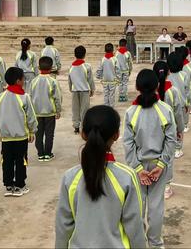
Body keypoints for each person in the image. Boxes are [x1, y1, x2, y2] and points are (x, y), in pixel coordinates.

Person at [55, 105, 146, 248]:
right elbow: (135, 227)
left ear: (83, 134)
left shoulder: (70, 177)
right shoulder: (127, 177)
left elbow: (63, 227)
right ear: (116, 135)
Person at [123, 69, 177, 248]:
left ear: (137, 87)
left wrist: (138, 169)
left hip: (137, 165)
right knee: (156, 207)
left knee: (137, 207)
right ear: (157, 86)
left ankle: (138, 243)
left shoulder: (131, 112)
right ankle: (155, 243)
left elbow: (128, 144)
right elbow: (171, 140)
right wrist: (161, 164)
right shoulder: (165, 110)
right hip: (157, 165)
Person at [0, 67, 38, 197]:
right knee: (20, 160)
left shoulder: (0, 97)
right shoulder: (24, 97)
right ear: (18, 81)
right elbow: (31, 116)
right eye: (23, 78)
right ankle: (19, 185)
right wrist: (32, 131)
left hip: (6, 137)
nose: (24, 80)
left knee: (6, 161)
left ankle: (8, 185)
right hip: (20, 136)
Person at [153, 60, 185, 200]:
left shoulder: (150, 91)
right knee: (168, 158)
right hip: (169, 130)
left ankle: (153, 182)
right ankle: (166, 187)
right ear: (169, 73)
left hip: (153, 129)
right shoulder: (172, 91)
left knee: (153, 155)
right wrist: (180, 128)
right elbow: (178, 112)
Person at [30, 56, 62, 161]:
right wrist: (58, 110)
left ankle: (40, 154)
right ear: (51, 67)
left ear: (39, 67)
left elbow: (29, 97)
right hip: (49, 112)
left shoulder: (33, 81)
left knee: (38, 134)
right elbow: (57, 97)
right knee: (49, 134)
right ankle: (48, 153)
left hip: (37, 112)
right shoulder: (53, 81)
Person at [69, 46, 95, 135]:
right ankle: (84, 127)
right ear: (84, 55)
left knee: (75, 109)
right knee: (84, 109)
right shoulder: (87, 66)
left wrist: (70, 88)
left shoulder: (71, 67)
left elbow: (70, 80)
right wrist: (92, 89)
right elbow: (90, 79)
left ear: (75, 55)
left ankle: (76, 127)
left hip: (75, 90)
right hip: (84, 90)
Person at [167, 52, 188, 155]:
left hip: (168, 105)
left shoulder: (167, 76)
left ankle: (169, 147)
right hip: (181, 104)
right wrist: (187, 102)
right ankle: (178, 148)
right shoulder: (184, 75)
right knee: (180, 127)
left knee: (170, 127)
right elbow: (187, 90)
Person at [96, 43, 120, 107]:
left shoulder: (103, 59)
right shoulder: (114, 59)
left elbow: (100, 69)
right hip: (113, 80)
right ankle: (111, 108)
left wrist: (99, 76)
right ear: (113, 50)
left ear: (105, 50)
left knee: (106, 94)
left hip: (105, 80)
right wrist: (118, 78)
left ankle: (106, 107)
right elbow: (117, 70)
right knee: (112, 95)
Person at [115, 38, 133, 103]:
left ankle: (120, 96)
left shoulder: (117, 53)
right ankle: (124, 96)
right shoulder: (128, 53)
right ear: (126, 45)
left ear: (119, 45)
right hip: (125, 70)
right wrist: (130, 70)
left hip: (119, 71)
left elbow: (115, 62)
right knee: (125, 83)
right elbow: (130, 62)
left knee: (120, 83)